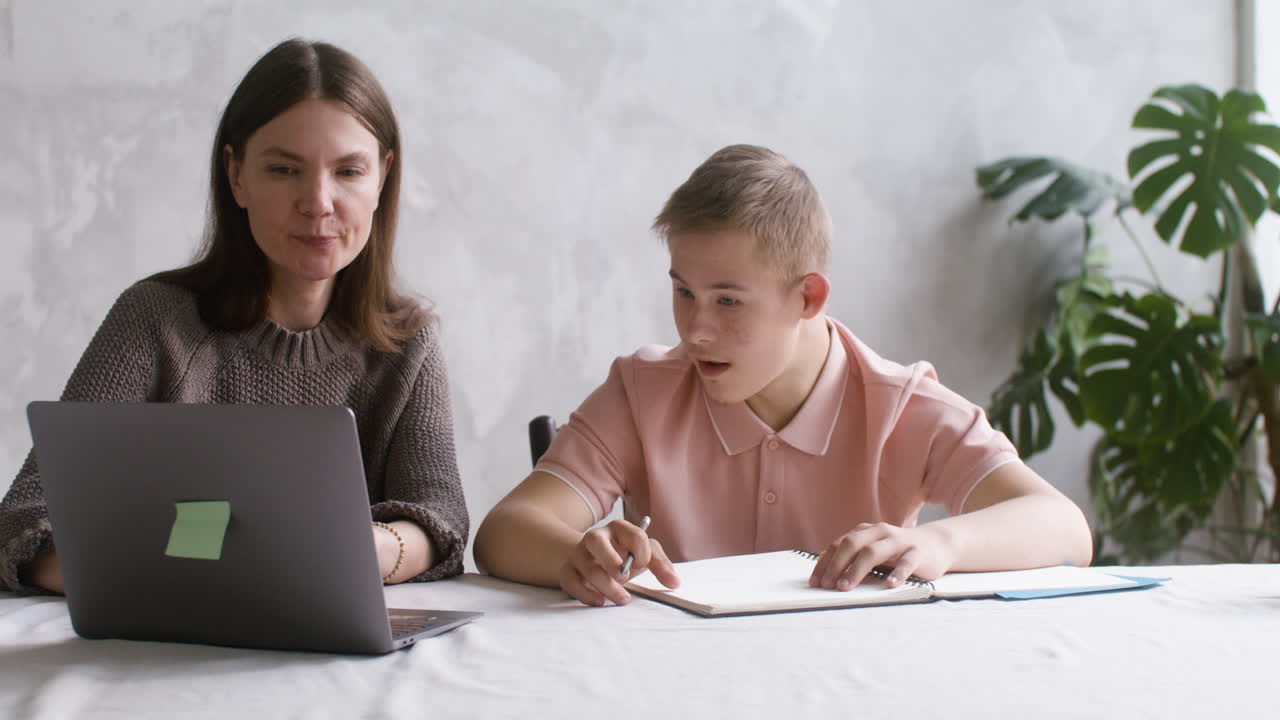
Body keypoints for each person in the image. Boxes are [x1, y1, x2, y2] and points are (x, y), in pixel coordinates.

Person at [473, 144, 1093, 607]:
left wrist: (942, 547)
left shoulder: (902, 406)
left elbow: (1064, 529)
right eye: (683, 292)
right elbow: (503, 533)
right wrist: (575, 556)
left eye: (728, 301)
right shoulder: (642, 391)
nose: (695, 330)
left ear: (808, 298)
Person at [0, 39, 468, 594]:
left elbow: (441, 520)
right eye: (284, 169)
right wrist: (154, 576)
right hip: (160, 646)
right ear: (237, 175)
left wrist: (368, 549)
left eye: (348, 171)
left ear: (382, 177)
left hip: (333, 658)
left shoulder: (407, 343)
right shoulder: (154, 319)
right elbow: (22, 518)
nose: (318, 201)